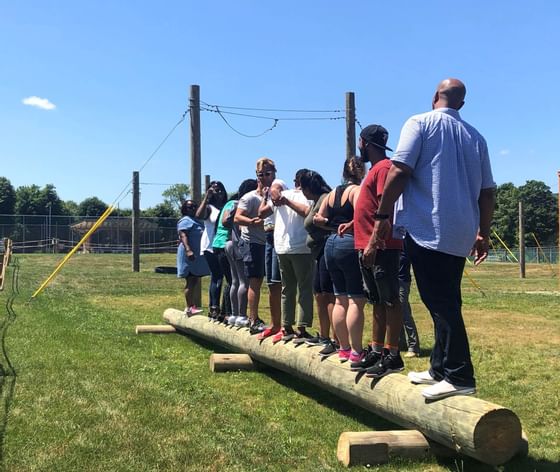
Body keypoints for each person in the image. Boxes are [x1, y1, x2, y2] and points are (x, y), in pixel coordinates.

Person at [371, 78, 496, 400]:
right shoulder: (476, 137)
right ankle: (439, 367)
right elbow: (487, 192)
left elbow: (398, 171)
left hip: (428, 228)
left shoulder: (419, 122)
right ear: (462, 105)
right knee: (445, 299)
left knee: (441, 303)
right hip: (461, 230)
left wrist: (383, 216)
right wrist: (483, 231)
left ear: (433, 97)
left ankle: (459, 374)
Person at [350, 124, 405, 379]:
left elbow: (387, 207)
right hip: (366, 245)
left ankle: (393, 355)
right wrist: (352, 224)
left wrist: (373, 242)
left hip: (381, 247)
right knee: (376, 301)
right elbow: (372, 206)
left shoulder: (383, 168)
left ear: (364, 143)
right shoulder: (374, 170)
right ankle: (376, 349)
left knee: (390, 300)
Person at [314, 157, 366, 362]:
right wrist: (350, 224)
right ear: (361, 172)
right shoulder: (357, 191)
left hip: (330, 243)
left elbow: (317, 218)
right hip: (349, 243)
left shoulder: (333, 193)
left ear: (344, 173)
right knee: (355, 299)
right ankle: (356, 351)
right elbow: (363, 214)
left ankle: (343, 348)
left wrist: (331, 224)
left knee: (340, 299)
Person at [259, 169, 313, 344]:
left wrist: (266, 197)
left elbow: (261, 213)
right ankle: (302, 329)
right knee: (304, 288)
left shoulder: (280, 195)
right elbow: (307, 212)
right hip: (301, 247)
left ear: (294, 180)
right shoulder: (307, 196)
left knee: (287, 289)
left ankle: (286, 327)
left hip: (281, 247)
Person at [234, 158, 280, 330]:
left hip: (272, 242)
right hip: (253, 243)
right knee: (255, 280)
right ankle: (253, 319)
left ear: (274, 173)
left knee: (274, 283)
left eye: (268, 174)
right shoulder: (250, 197)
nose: (264, 178)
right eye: (261, 174)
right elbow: (238, 217)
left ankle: (278, 322)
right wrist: (252, 222)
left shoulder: (277, 194)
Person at [300, 170, 337, 353]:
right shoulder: (315, 201)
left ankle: (336, 339)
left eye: (302, 187)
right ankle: (323, 335)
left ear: (308, 188)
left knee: (328, 294)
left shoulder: (325, 198)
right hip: (317, 252)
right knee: (319, 294)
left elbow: (331, 222)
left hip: (325, 249)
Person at [223, 179, 258, 327]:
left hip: (231, 243)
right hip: (241, 244)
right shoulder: (245, 204)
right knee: (245, 282)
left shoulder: (234, 204)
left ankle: (233, 314)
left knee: (235, 281)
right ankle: (242, 316)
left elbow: (225, 222)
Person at [196, 181, 228, 317]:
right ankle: (213, 307)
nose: (218, 193)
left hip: (223, 245)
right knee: (217, 276)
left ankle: (225, 309)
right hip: (210, 245)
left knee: (228, 278)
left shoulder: (226, 206)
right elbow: (199, 215)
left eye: (220, 190)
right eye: (215, 190)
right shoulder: (209, 207)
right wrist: (206, 198)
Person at [177, 199, 210, 315]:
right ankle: (189, 307)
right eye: (190, 207)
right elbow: (183, 235)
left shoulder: (196, 220)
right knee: (190, 280)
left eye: (194, 206)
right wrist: (188, 249)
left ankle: (192, 306)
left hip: (196, 255)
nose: (193, 209)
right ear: (185, 209)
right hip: (189, 254)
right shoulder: (185, 220)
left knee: (195, 279)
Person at [398, 249, 421, 358]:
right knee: (395, 311)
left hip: (402, 280)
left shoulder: (405, 244)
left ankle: (413, 346)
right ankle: (400, 342)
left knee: (404, 313)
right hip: (391, 280)